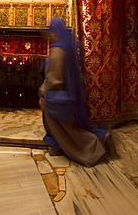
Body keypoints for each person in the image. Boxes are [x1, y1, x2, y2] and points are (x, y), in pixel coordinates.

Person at [39, 18, 116, 167]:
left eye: (51, 32)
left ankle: (92, 147)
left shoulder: (57, 51)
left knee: (66, 132)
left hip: (57, 98)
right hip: (69, 96)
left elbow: (54, 79)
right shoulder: (69, 46)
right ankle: (58, 146)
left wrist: (43, 94)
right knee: (65, 129)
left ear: (55, 32)